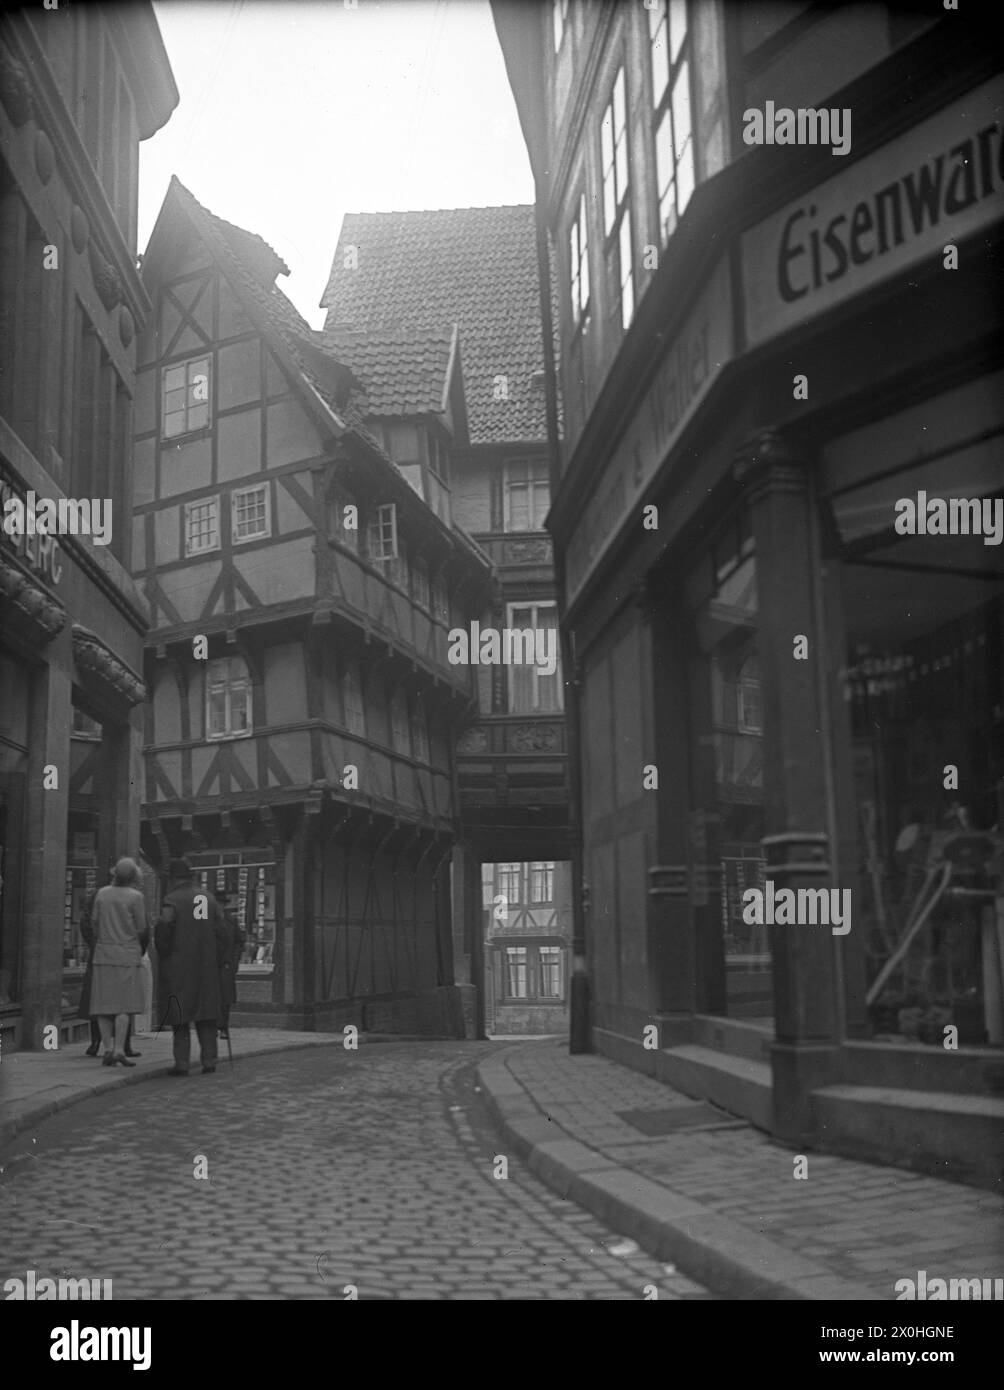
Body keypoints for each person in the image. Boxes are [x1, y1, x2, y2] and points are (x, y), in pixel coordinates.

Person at [155, 858, 228, 1076]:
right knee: (206, 1016)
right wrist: (219, 959)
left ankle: (182, 1063)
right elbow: (222, 933)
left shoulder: (172, 901)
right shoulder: (210, 899)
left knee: (180, 1017)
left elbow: (164, 932)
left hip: (180, 967)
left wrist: (165, 953)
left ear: (173, 880)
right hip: (206, 968)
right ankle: (209, 1060)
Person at [88, 858, 149, 1067]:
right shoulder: (136, 897)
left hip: (103, 953)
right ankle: (119, 1049)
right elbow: (142, 927)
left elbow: (94, 923)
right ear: (133, 877)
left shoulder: (102, 893)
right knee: (124, 1006)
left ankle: (106, 1049)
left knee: (103, 1005)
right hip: (127, 953)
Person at [216, 891, 244, 1040]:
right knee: (211, 997)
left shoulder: (231, 921)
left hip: (227, 966)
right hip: (211, 966)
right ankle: (212, 1026)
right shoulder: (207, 921)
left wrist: (234, 961)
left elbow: (239, 942)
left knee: (225, 999)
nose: (220, 906)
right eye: (217, 904)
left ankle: (223, 1027)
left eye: (222, 904)